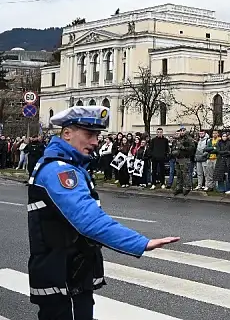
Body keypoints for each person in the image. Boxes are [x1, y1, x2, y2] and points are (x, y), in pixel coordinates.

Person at [28, 106, 179, 320]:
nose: (95, 142)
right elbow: (89, 221)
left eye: (97, 135)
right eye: (89, 134)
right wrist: (140, 243)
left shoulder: (71, 166)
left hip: (69, 272)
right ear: (67, 133)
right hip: (62, 275)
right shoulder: (60, 171)